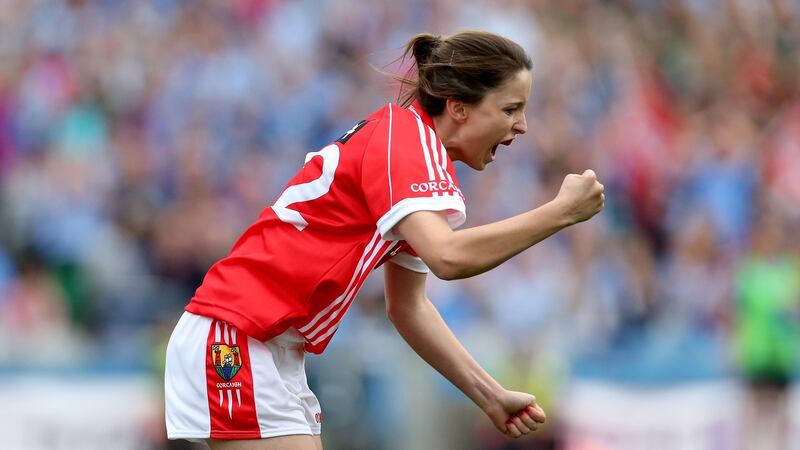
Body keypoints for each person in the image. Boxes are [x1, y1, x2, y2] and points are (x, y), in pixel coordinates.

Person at [164, 30, 605, 450]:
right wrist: (559, 213)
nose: (522, 125)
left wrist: (490, 395)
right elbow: (449, 258)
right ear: (459, 107)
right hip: (237, 333)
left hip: (270, 343)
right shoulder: (405, 141)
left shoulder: (417, 158)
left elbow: (409, 308)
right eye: (511, 109)